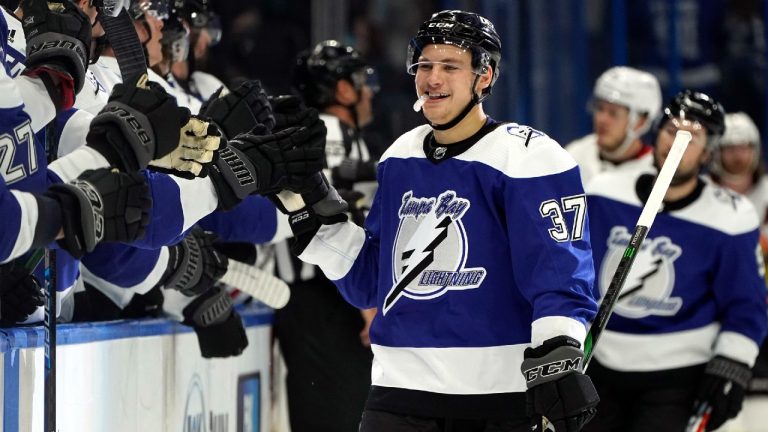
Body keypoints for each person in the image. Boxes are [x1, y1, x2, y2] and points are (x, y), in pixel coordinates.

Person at [281, 10, 600, 432]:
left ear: (483, 77)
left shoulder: (527, 157)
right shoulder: (400, 155)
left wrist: (559, 348)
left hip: (496, 397)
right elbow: (374, 281)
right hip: (399, 392)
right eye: (425, 65)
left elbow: (558, 269)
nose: (432, 79)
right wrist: (310, 215)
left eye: (450, 67)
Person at [583, 90, 768, 432]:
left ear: (708, 152)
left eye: (692, 136)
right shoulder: (605, 191)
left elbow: (746, 304)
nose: (677, 142)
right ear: (657, 134)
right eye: (672, 130)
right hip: (599, 365)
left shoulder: (730, 216)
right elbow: (574, 276)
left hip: (678, 377)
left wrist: (734, 361)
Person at [272, 40, 378, 432]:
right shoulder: (335, 133)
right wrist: (368, 305)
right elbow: (336, 217)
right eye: (361, 82)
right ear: (344, 90)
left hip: (309, 297)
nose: (370, 91)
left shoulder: (312, 131)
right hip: (329, 296)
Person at [706, 111, 768, 432]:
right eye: (730, 147)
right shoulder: (703, 196)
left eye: (744, 146)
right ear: (716, 151)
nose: (738, 154)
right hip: (720, 317)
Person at [566, 66, 662, 186]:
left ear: (640, 122)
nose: (602, 119)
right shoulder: (575, 155)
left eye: (613, 113)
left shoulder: (655, 173)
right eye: (600, 108)